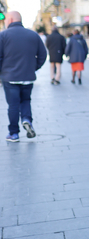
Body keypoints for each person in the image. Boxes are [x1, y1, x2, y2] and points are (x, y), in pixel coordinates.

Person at [0, 11, 47, 142]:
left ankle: (14, 133)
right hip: (28, 77)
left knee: (13, 105)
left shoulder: (3, 35)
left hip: (10, 77)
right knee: (26, 101)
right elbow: (43, 55)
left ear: (9, 20)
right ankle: (27, 120)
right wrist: (33, 68)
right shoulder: (33, 35)